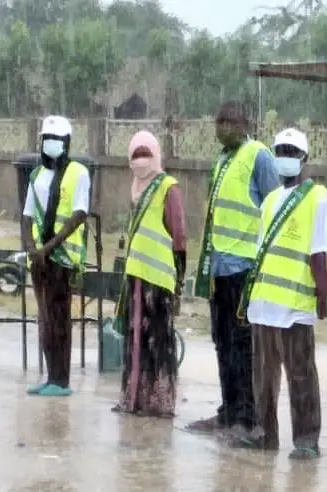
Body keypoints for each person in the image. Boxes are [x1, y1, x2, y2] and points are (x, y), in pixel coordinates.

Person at [231, 128, 327, 459]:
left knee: (301, 374)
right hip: (264, 304)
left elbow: (319, 254)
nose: (284, 156)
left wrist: (323, 298)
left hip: (296, 304)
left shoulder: (316, 197)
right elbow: (260, 254)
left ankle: (306, 439)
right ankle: (264, 433)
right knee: (263, 376)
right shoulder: (270, 200)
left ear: (304, 159)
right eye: (280, 150)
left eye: (291, 150)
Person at [187, 101, 279, 437]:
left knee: (243, 343)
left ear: (245, 123)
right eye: (218, 121)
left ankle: (247, 417)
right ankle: (227, 411)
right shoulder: (222, 161)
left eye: (229, 121)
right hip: (219, 267)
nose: (222, 127)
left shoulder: (259, 155)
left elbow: (273, 207)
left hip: (244, 267)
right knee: (221, 340)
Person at [111, 130, 187, 417]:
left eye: (146, 155)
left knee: (159, 342)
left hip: (159, 281)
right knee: (135, 341)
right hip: (136, 279)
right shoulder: (135, 189)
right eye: (135, 155)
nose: (140, 161)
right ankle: (134, 399)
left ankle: (159, 403)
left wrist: (179, 280)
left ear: (156, 156)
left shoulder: (169, 187)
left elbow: (179, 236)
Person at [22, 115, 91, 397]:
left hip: (62, 258)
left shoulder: (79, 173)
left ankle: (62, 380)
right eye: (46, 139)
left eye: (56, 140)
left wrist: (48, 248)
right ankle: (50, 376)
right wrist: (30, 247)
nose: (50, 144)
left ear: (66, 143)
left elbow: (79, 215)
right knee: (45, 318)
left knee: (60, 319)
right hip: (39, 260)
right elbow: (26, 215)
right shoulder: (36, 175)